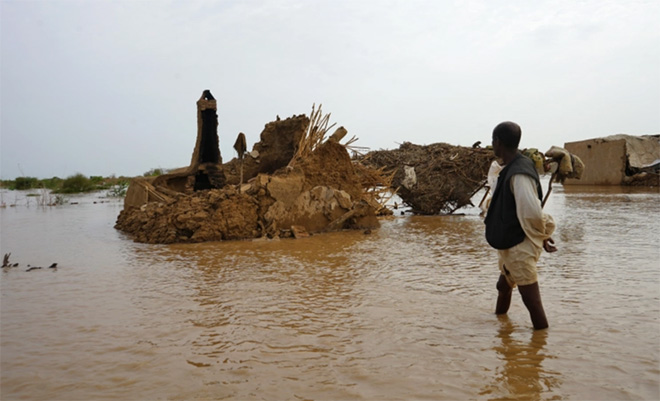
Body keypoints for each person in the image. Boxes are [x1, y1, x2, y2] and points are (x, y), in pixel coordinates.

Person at [484, 121, 557, 330]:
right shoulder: (510, 168)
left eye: (493, 141)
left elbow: (531, 212)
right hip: (511, 241)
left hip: (520, 245)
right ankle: (501, 328)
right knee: (503, 286)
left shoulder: (519, 173)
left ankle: (538, 350)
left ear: (498, 142)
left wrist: (541, 237)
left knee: (532, 301)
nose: (493, 145)